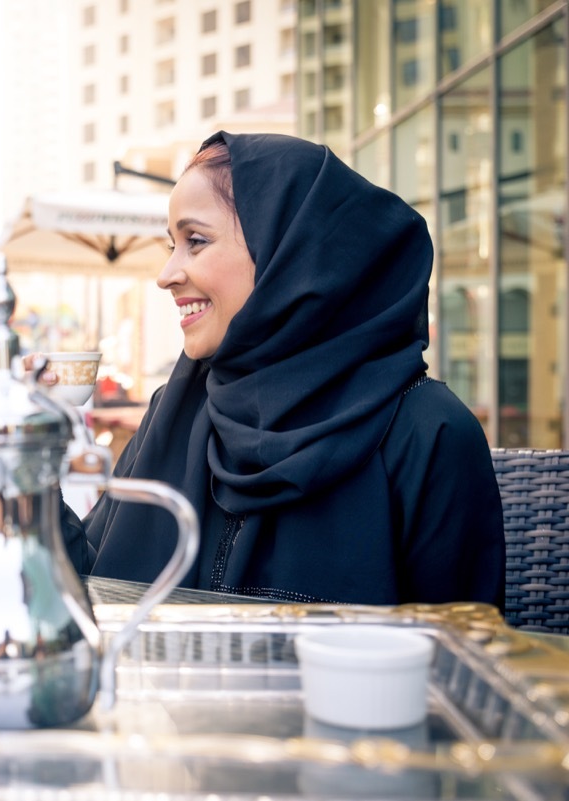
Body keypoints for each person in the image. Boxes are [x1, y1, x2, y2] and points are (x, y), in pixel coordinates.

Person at [55, 131, 504, 606]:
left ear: (290, 252)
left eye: (196, 241)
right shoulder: (176, 410)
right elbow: (87, 589)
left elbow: (460, 655)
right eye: (172, 245)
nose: (166, 275)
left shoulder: (429, 432)